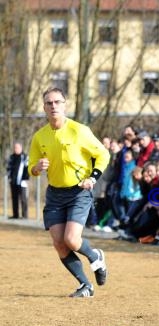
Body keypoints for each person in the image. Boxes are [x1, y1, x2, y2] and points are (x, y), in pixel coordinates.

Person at [28, 87, 110, 297]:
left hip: (78, 192)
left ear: (65, 105)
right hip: (55, 195)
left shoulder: (79, 130)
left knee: (72, 240)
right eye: (49, 103)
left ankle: (95, 256)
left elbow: (103, 155)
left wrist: (93, 177)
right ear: (44, 107)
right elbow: (32, 168)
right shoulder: (39, 137)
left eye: (57, 102)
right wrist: (37, 167)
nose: (53, 106)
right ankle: (85, 285)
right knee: (59, 244)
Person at [6, 142, 30, 219]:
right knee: (14, 198)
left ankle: (25, 216)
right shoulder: (11, 157)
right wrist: (9, 178)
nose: (16, 149)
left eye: (17, 148)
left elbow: (28, 168)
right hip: (13, 182)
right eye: (15, 148)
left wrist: (26, 178)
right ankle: (15, 215)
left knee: (23, 199)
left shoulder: (25, 157)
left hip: (22, 182)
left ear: (21, 148)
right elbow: (8, 168)